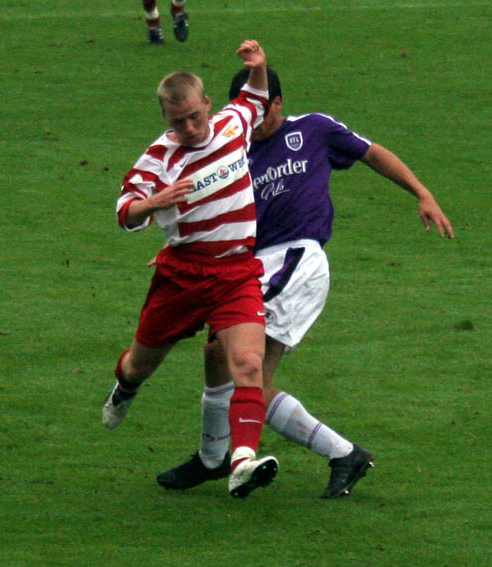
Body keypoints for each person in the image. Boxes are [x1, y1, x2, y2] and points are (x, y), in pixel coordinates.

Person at [156, 67, 454, 498]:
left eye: (262, 109)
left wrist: (422, 193)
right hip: (250, 266)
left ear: (276, 103)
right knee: (219, 355)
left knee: (243, 369)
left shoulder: (313, 129)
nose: (253, 119)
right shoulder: (230, 150)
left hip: (296, 260)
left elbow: (372, 153)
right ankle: (224, 455)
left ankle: (322, 453)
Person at [102, 40, 279, 499]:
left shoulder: (232, 124)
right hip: (181, 276)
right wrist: (153, 203)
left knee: (248, 363)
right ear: (165, 117)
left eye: (195, 117)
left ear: (208, 104)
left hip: (235, 272)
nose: (189, 128)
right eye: (177, 122)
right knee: (140, 365)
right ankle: (124, 389)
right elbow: (124, 212)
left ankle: (242, 461)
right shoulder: (158, 159)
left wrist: (258, 67)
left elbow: (255, 99)